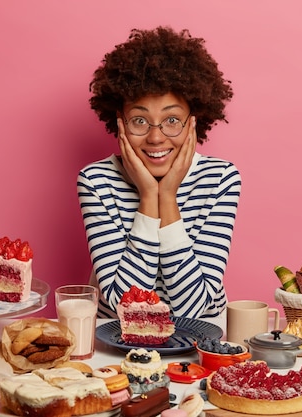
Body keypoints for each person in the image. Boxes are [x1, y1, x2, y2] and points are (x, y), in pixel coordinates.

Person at [77, 26, 241, 319]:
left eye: (172, 120)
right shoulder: (95, 181)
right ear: (120, 123)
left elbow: (191, 309)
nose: (156, 138)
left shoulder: (221, 179)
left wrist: (167, 195)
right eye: (140, 120)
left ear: (193, 121)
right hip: (115, 344)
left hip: (202, 342)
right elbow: (125, 307)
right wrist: (148, 196)